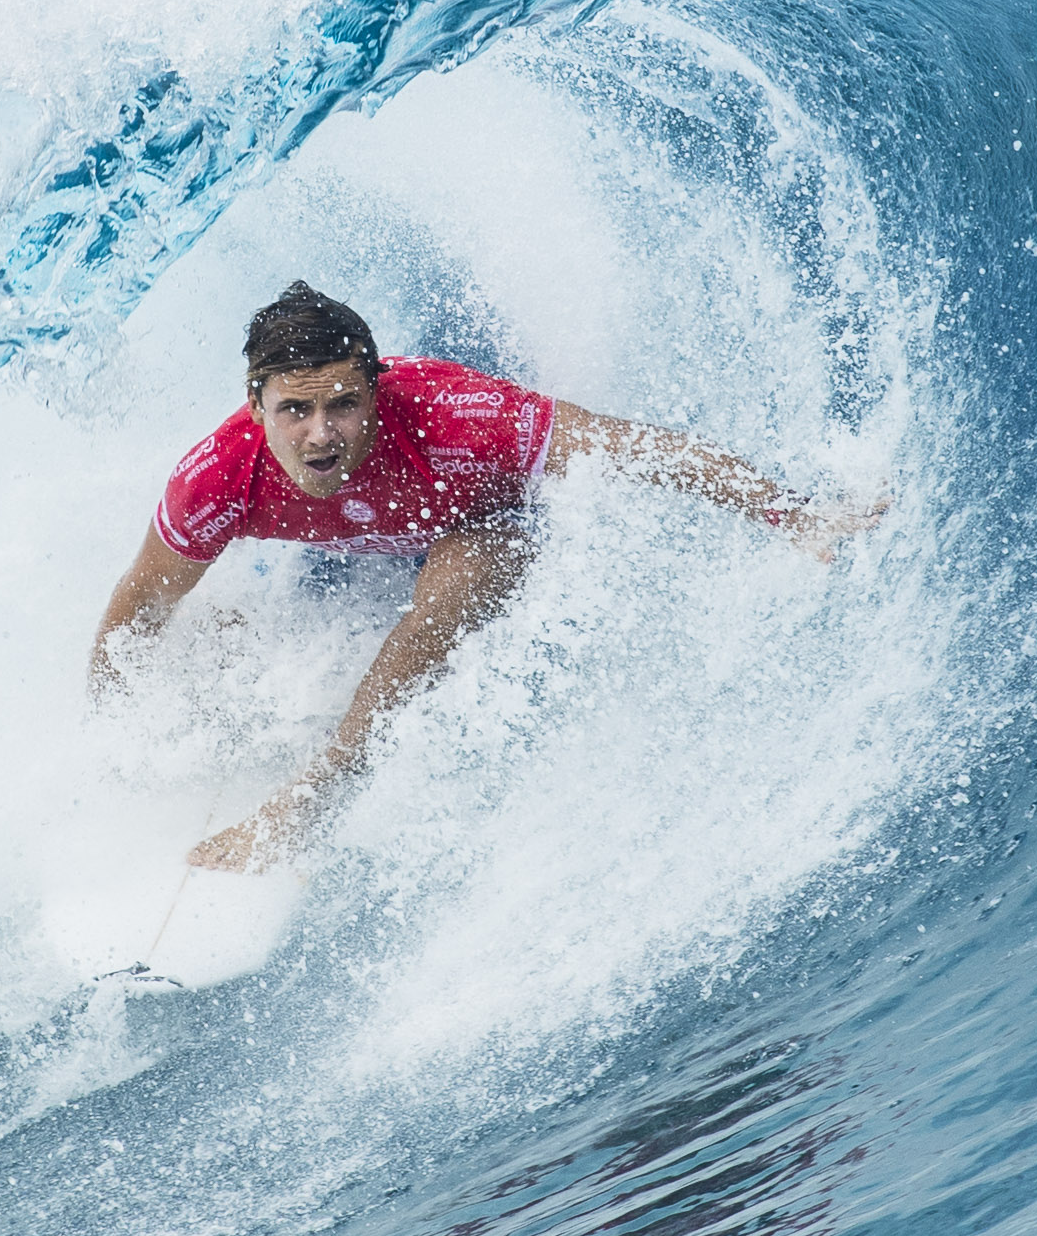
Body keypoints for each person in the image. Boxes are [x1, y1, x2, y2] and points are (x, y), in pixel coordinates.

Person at [89, 279, 882, 869]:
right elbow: (137, 609)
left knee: (453, 593)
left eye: (343, 404)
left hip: (479, 523)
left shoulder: (456, 415)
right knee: (204, 633)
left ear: (377, 389)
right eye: (296, 409)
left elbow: (634, 448)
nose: (322, 434)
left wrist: (792, 514)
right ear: (256, 405)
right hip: (362, 548)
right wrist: (114, 739)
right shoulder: (218, 479)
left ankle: (311, 803)